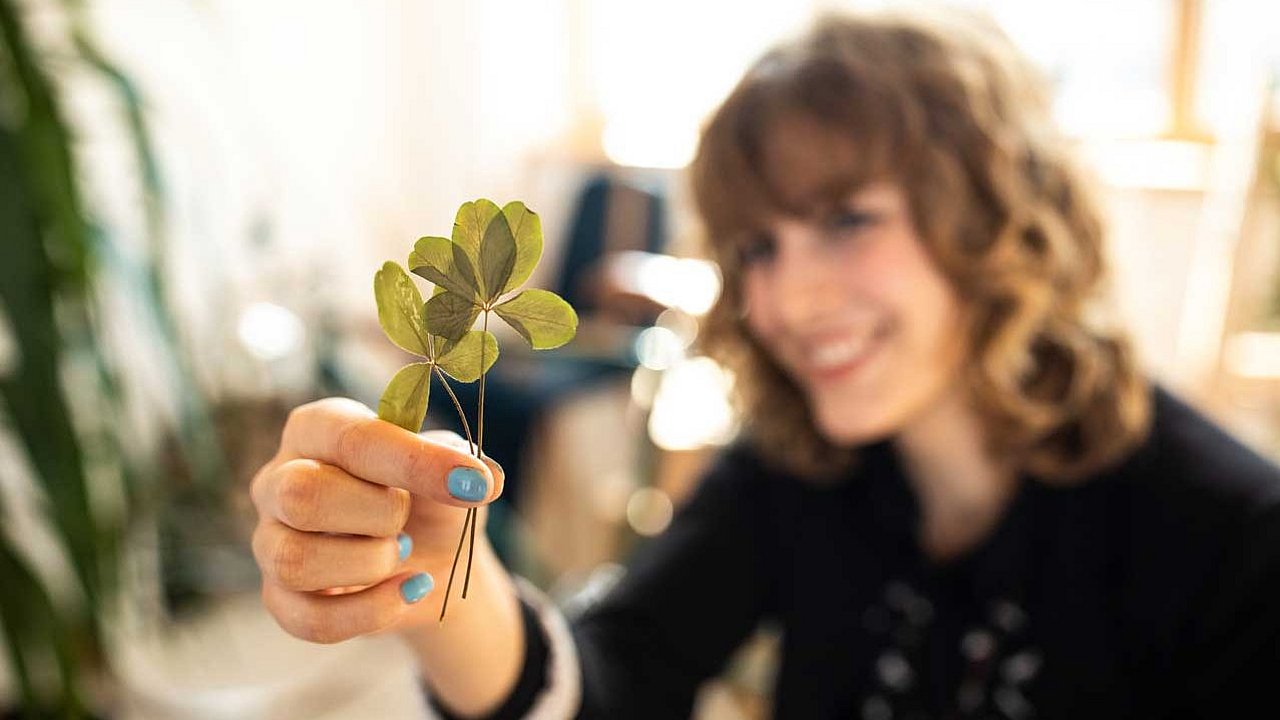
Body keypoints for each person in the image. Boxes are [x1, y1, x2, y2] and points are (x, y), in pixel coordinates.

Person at [248, 7, 1280, 719]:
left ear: (994, 214)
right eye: (756, 246)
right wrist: (442, 584)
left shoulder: (1227, 535)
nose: (783, 298)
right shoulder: (792, 471)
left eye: (844, 219)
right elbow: (611, 681)